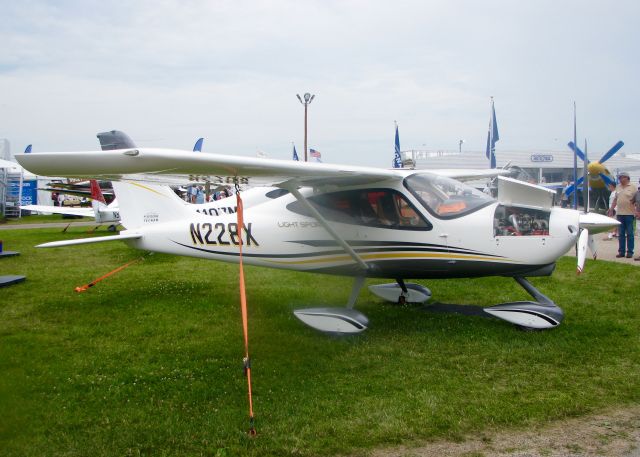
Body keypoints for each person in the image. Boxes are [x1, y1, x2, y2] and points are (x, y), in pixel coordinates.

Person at [610, 171, 637, 258]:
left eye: (621, 177)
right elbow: (615, 200)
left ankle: (630, 252)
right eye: (619, 177)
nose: (620, 179)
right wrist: (611, 209)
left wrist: (636, 211)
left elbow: (637, 200)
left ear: (627, 178)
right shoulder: (618, 187)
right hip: (619, 214)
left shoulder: (633, 187)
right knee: (621, 234)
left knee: (630, 233)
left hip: (629, 214)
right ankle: (621, 251)